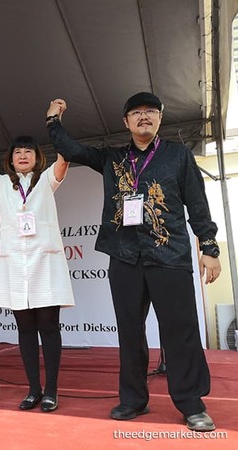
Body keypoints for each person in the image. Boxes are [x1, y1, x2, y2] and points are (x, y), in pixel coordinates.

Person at [46, 93, 222, 432]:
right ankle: (132, 400)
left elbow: (198, 205)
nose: (144, 117)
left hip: (168, 254)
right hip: (125, 256)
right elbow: (73, 149)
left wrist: (210, 248)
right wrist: (53, 121)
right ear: (125, 122)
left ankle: (191, 403)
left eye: (150, 112)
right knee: (129, 333)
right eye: (136, 113)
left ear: (160, 118)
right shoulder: (113, 158)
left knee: (180, 332)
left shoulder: (179, 156)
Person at [0, 96, 75, 412]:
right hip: (16, 267)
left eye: (29, 151)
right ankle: (33, 390)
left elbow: (65, 156)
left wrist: (54, 119)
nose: (23, 155)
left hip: (46, 263)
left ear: (37, 157)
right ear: (11, 160)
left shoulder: (46, 181)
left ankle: (52, 390)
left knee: (49, 329)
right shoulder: (1, 184)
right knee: (25, 331)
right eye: (18, 152)